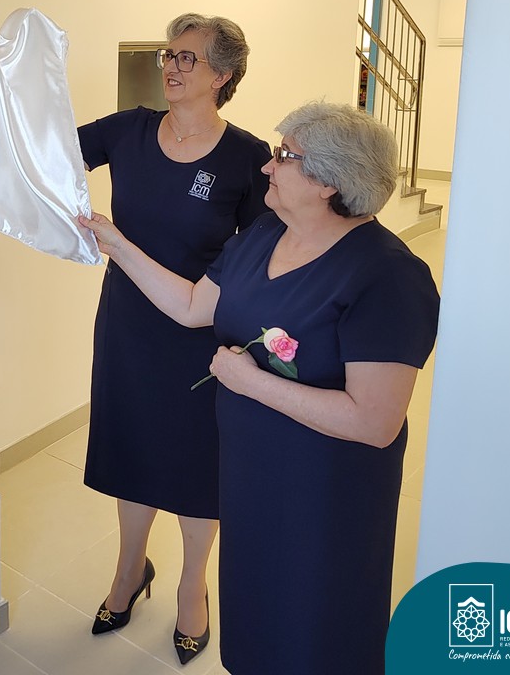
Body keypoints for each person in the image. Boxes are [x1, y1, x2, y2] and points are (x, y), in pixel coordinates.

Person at [79, 101, 441, 675]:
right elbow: (193, 306)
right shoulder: (266, 234)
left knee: (314, 620)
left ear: (328, 181)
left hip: (323, 492)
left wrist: (251, 382)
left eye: (284, 156)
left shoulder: (387, 275)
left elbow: (375, 422)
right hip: (248, 472)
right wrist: (115, 243)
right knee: (255, 611)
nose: (268, 167)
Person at [77, 14, 269, 664]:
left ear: (222, 76)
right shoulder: (129, 130)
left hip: (200, 333)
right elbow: (48, 156)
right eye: (169, 55)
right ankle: (130, 569)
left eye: (188, 58)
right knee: (132, 449)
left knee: (194, 462)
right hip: (129, 323)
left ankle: (192, 584)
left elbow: (261, 254)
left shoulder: (245, 158)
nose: (172, 67)